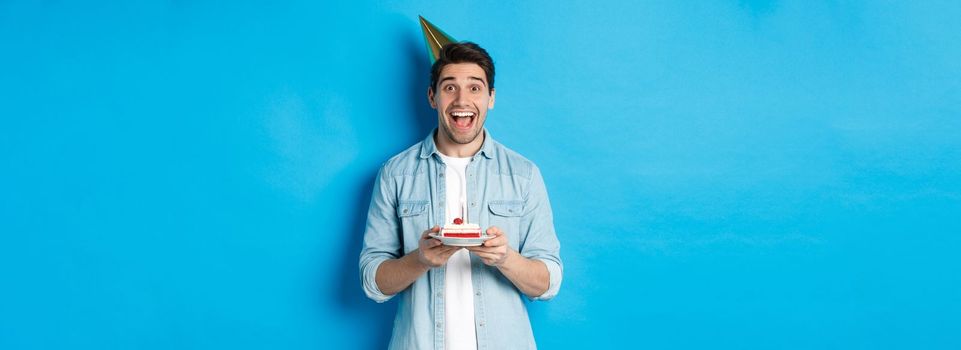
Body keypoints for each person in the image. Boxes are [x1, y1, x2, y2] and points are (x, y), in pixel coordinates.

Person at [359, 42, 562, 350]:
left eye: (475, 88)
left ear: (491, 98)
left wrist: (505, 258)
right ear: (432, 97)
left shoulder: (524, 175)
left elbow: (548, 283)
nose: (462, 100)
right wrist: (420, 259)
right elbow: (373, 282)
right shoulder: (395, 174)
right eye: (450, 87)